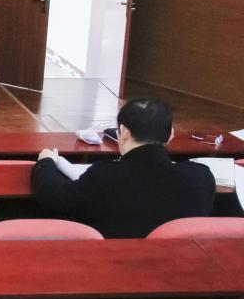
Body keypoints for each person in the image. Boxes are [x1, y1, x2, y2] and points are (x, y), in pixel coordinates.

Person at [31, 98, 215, 238]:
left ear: (124, 132)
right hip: (182, 271)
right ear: (170, 135)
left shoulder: (106, 177)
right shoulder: (200, 177)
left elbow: (53, 197)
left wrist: (45, 162)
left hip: (115, 268)